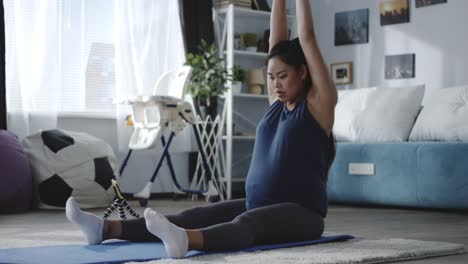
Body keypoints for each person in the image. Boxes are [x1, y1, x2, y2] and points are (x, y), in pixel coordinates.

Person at [65, 0, 337, 258]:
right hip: (259, 203)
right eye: (271, 77)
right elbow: (275, 43)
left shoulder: (318, 105)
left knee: (248, 223)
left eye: (283, 77)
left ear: (302, 72)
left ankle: (187, 241)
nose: (276, 84)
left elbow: (307, 37)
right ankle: (106, 228)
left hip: (303, 214)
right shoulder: (276, 103)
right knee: (193, 215)